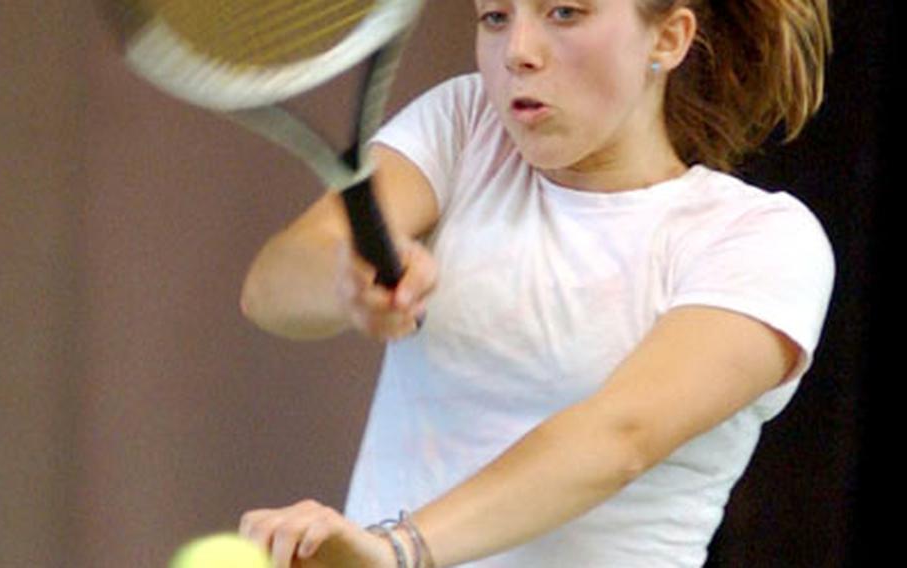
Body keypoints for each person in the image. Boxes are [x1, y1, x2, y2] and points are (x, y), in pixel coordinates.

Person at [237, 0, 835, 566]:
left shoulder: (760, 238)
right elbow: (270, 290)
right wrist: (345, 279)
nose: (518, 50)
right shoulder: (466, 124)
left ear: (669, 37)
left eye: (564, 12)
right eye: (496, 16)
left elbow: (619, 436)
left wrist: (399, 551)